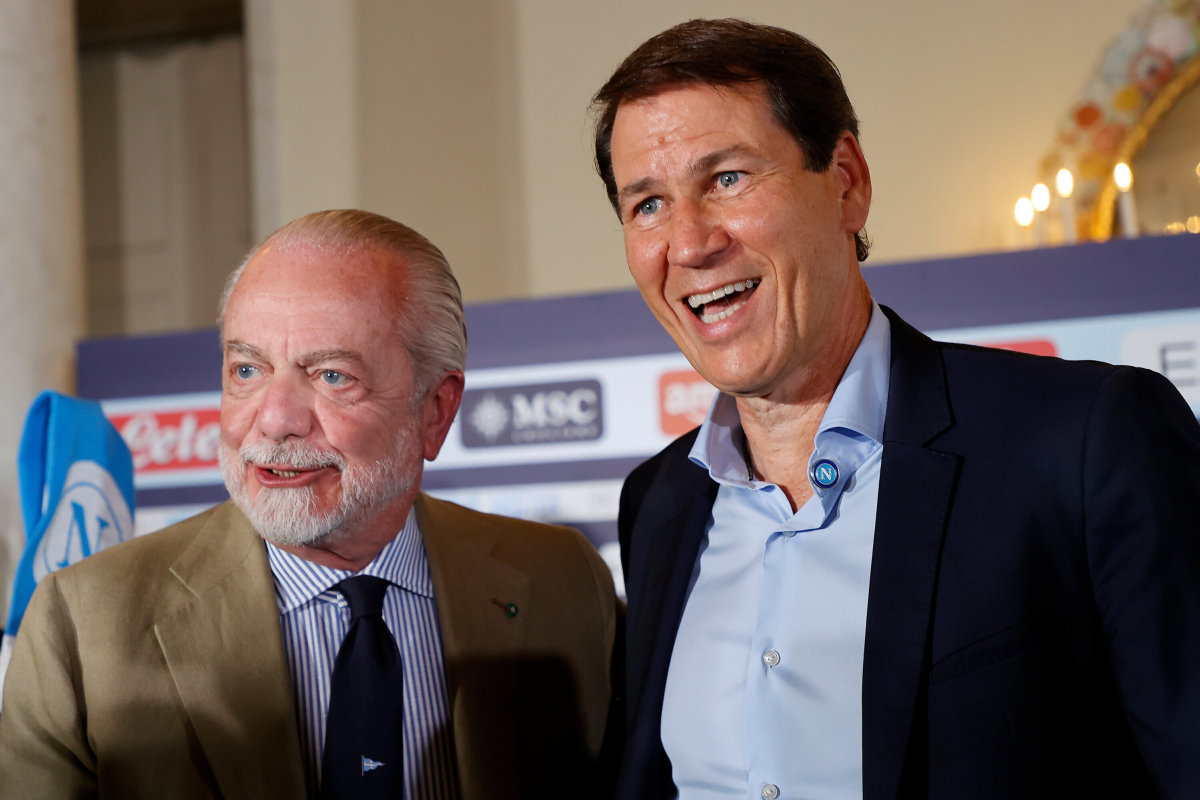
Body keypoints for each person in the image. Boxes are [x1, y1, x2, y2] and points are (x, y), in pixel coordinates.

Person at [591, 18, 1200, 800]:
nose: (689, 243)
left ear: (846, 182)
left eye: (728, 179)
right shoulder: (659, 502)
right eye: (648, 204)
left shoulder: (1085, 442)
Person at [0, 209, 617, 799]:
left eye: (331, 376)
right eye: (247, 370)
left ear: (435, 410)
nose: (275, 419)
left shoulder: (564, 581)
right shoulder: (81, 623)